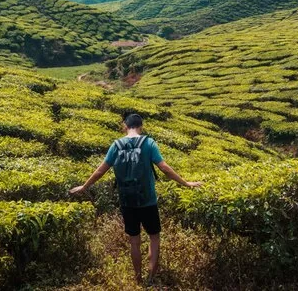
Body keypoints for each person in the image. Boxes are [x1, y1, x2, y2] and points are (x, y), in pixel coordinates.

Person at [69, 113, 202, 285]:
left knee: (134, 242)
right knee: (154, 237)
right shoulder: (148, 143)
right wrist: (186, 183)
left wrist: (84, 187)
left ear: (125, 125)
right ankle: (151, 278)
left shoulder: (116, 145)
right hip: (148, 200)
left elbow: (100, 171)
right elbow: (164, 167)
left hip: (127, 201)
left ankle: (138, 278)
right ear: (141, 125)